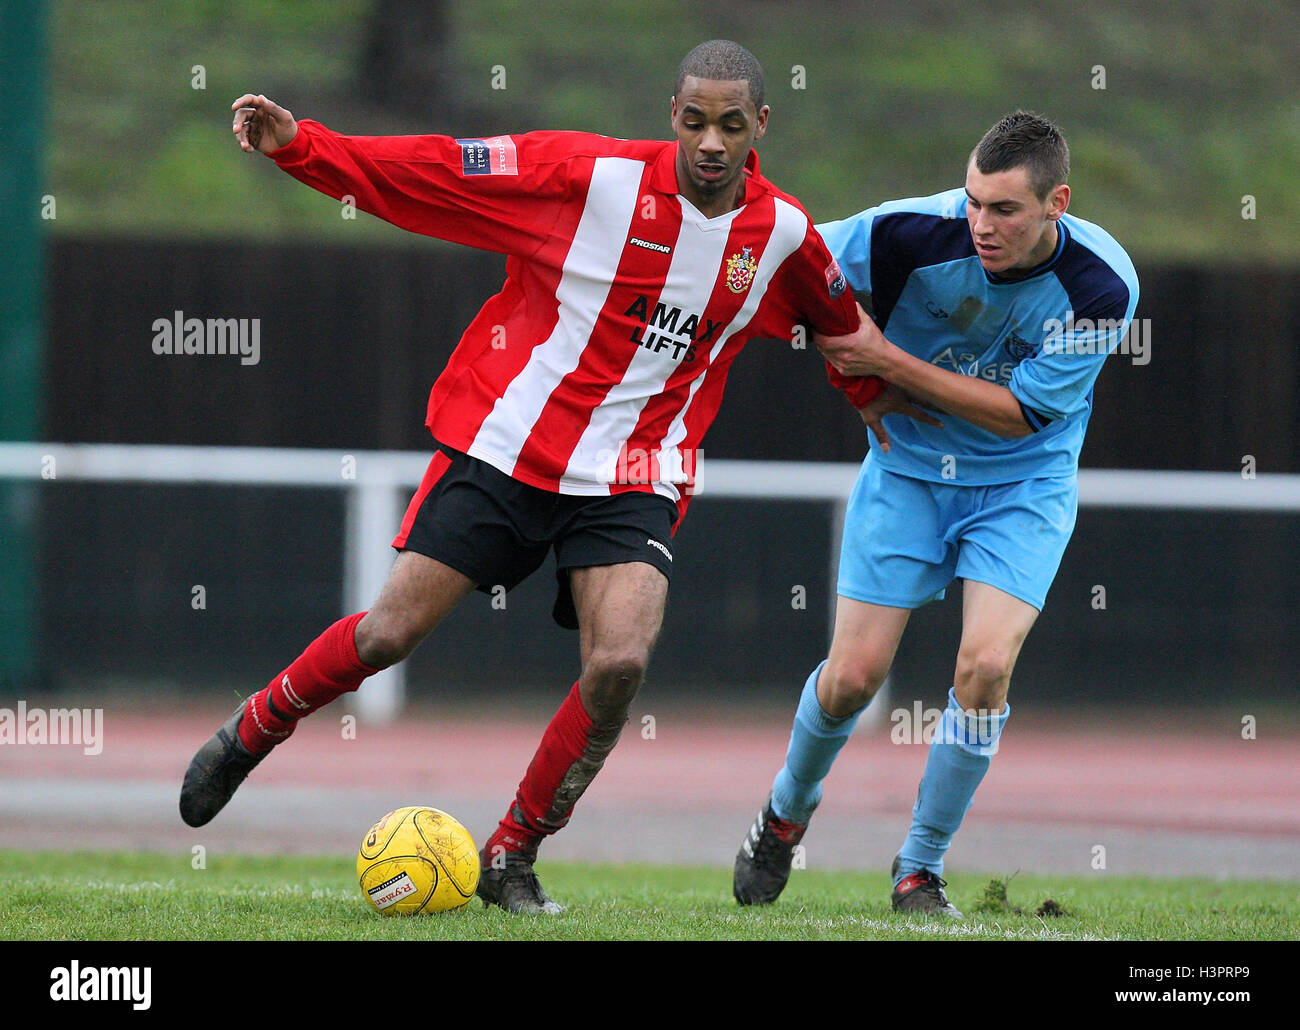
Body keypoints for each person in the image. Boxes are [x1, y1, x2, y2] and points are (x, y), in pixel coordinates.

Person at [178, 40, 889, 914]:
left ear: (760, 127)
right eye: (696, 120)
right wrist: (304, 148)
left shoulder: (782, 233)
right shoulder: (587, 176)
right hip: (510, 446)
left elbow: (838, 324)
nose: (711, 141)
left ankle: (511, 853)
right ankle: (255, 728)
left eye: (731, 125)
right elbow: (439, 172)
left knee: (620, 660)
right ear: (672, 113)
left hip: (637, 472)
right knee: (388, 636)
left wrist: (879, 404)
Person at [734, 111, 1139, 917]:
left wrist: (886, 361)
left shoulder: (1102, 285)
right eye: (975, 201)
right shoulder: (905, 232)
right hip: (910, 475)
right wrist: (852, 378)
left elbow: (1019, 416)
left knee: (984, 669)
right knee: (851, 680)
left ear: (1058, 202)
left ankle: (919, 869)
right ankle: (782, 816)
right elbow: (787, 268)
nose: (981, 225)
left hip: (1023, 486)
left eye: (1006, 210)